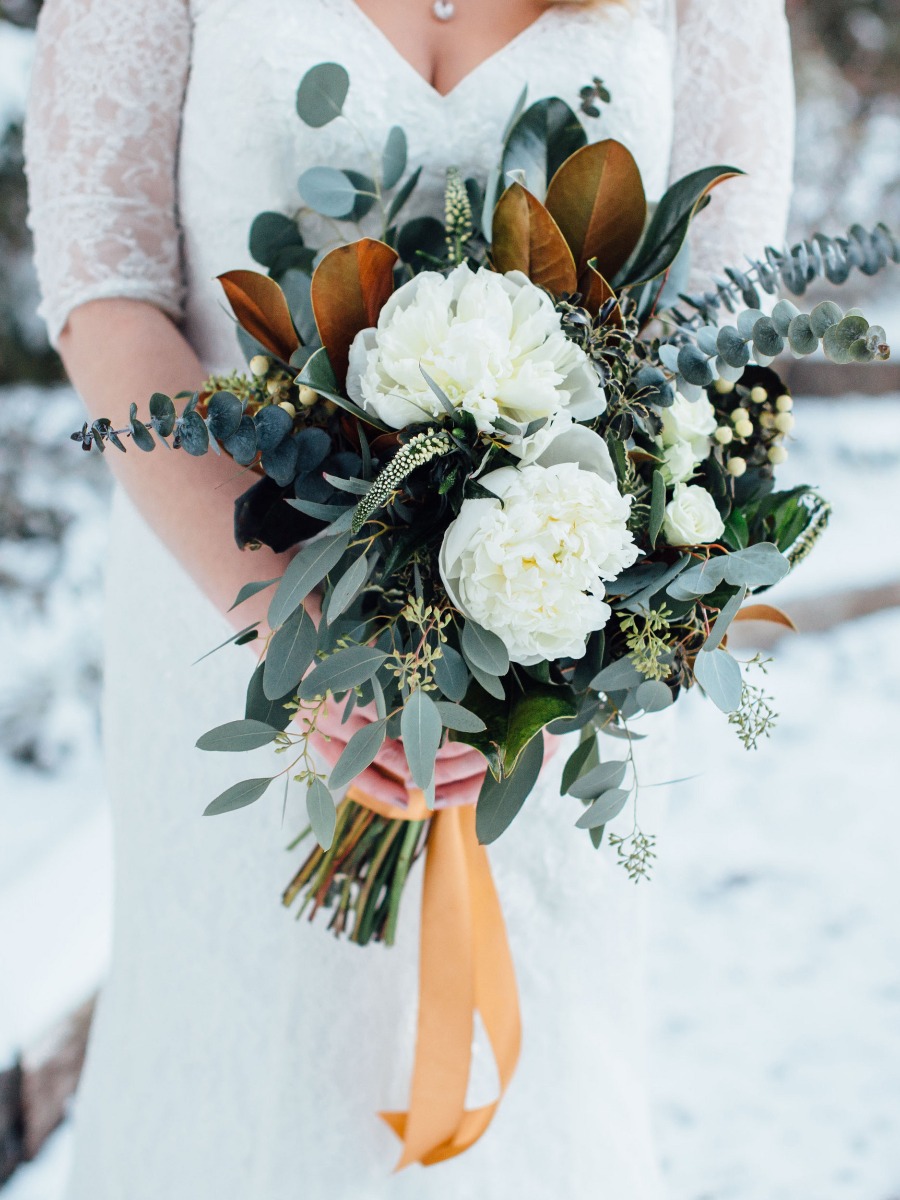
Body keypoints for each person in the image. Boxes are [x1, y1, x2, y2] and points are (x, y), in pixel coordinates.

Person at [24, 1, 795, 1196]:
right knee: (241, 1086)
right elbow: (102, 282)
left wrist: (556, 631)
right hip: (226, 612)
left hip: (538, 667)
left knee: (540, 1102)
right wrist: (302, 621)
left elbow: (727, 323)